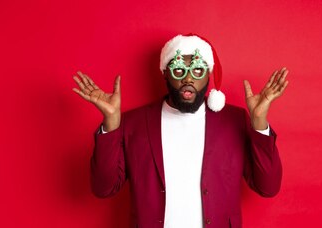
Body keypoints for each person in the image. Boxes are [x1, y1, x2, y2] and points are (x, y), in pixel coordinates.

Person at [72, 34, 289, 228]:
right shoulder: (133, 123)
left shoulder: (235, 120)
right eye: (178, 70)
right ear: (165, 74)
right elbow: (103, 188)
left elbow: (268, 187)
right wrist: (111, 122)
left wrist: (259, 121)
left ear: (208, 74)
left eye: (197, 70)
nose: (188, 79)